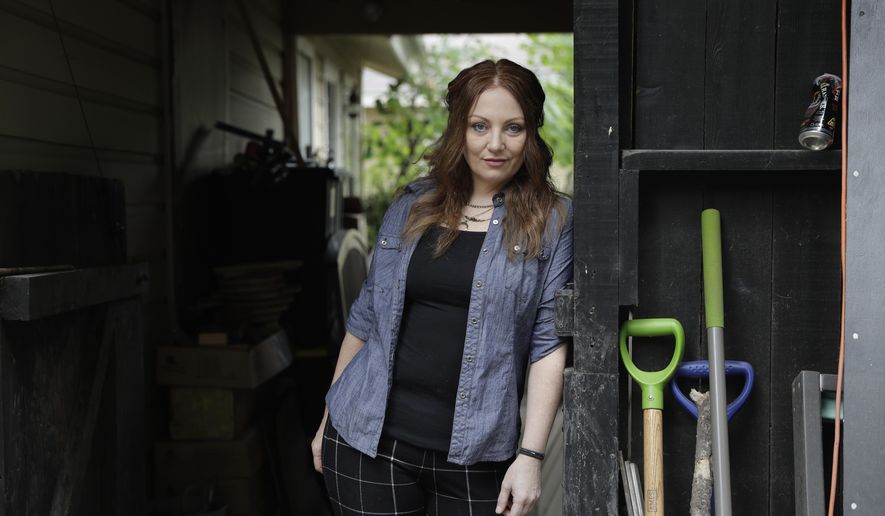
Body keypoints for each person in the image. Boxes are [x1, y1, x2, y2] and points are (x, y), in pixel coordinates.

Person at [311, 58, 573, 516]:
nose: (496, 144)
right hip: (369, 444)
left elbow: (548, 345)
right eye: (479, 126)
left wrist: (530, 457)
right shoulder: (414, 205)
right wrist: (329, 418)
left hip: (477, 456)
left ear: (532, 133)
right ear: (459, 129)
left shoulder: (551, 221)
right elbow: (365, 317)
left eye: (513, 128)